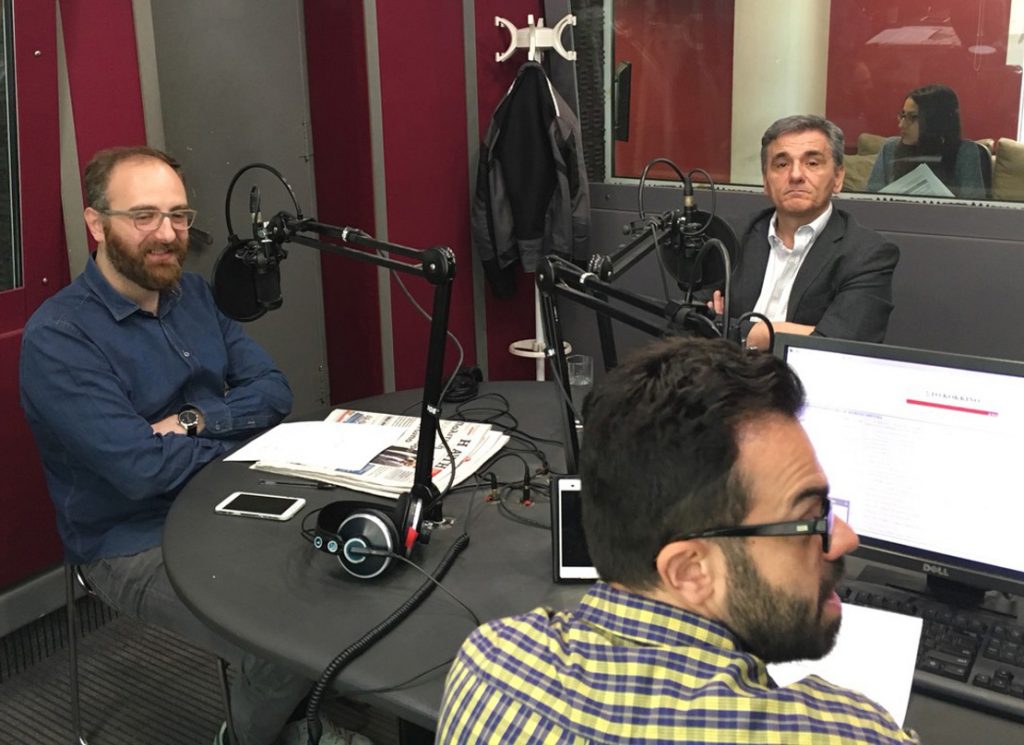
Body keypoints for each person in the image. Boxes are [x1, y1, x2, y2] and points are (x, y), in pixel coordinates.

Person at [19, 146, 367, 745]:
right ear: (96, 224)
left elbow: (274, 392)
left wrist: (192, 419)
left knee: (359, 558)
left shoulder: (195, 297)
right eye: (144, 216)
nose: (167, 233)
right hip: (131, 538)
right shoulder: (60, 338)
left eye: (178, 215)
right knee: (285, 631)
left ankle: (293, 699)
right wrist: (236, 441)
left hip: (230, 496)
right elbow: (141, 471)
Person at [437, 337, 919, 744]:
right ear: (690, 571)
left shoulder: (488, 667)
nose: (845, 539)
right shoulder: (855, 735)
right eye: (810, 519)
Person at [711, 114, 899, 349]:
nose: (796, 175)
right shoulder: (729, 237)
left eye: (812, 163)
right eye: (782, 164)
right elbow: (688, 326)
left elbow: (843, 346)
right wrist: (805, 333)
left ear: (838, 178)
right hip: (723, 371)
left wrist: (733, 330)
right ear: (766, 181)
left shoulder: (867, 254)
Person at [867, 84, 988, 200]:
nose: (901, 125)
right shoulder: (890, 148)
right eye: (903, 115)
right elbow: (869, 202)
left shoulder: (965, 152)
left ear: (935, 121)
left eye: (912, 117)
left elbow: (973, 209)